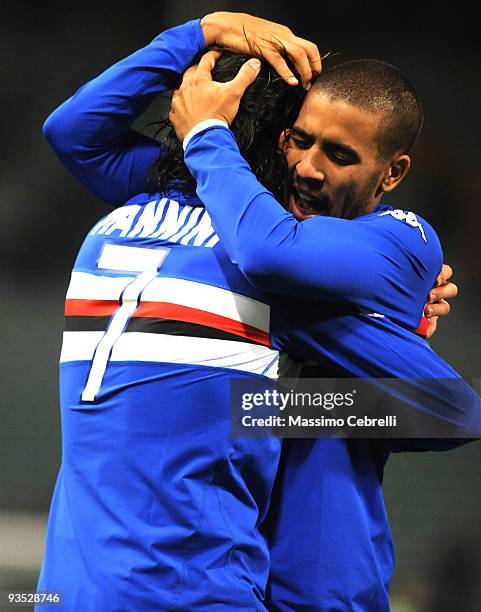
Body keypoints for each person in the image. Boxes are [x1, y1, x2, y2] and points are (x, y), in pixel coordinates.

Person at [37, 12, 471, 612]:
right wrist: (201, 32)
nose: (308, 168)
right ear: (276, 140)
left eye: (340, 155)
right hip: (236, 578)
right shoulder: (237, 222)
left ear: (392, 173)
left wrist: (270, 401)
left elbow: (453, 413)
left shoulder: (388, 239)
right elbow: (72, 133)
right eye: (299, 140)